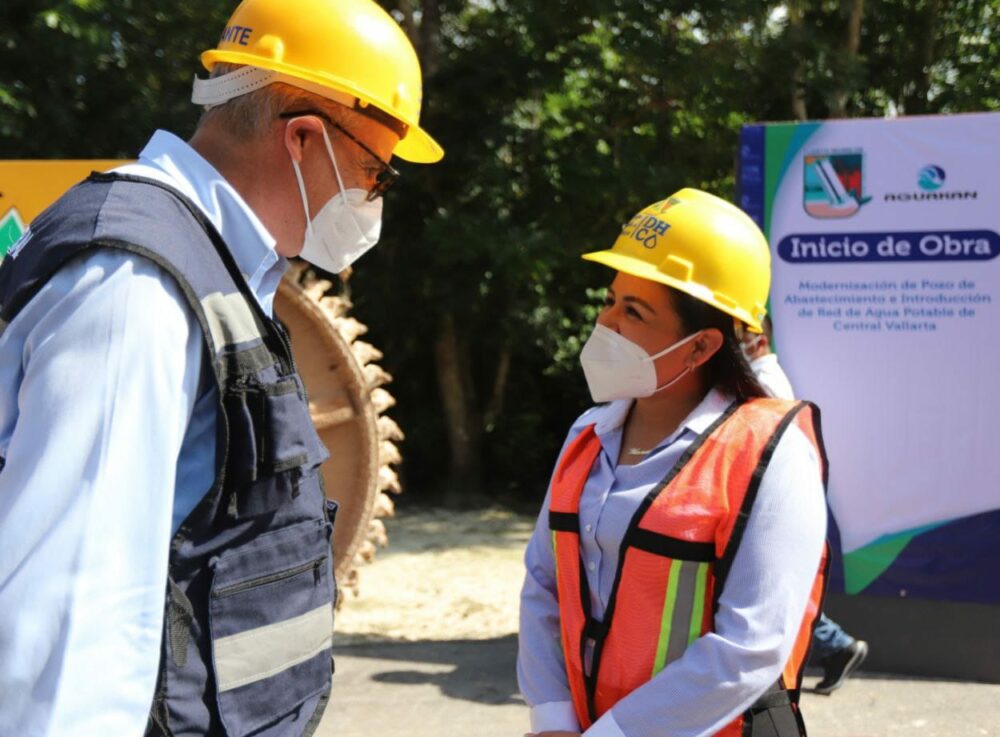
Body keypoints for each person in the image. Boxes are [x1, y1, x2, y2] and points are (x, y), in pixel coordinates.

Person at [0, 1, 442, 735]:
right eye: (376, 172)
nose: (372, 198)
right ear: (304, 138)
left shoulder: (212, 269)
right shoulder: (136, 286)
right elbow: (68, 622)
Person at [518, 188, 829, 737]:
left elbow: (751, 647)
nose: (605, 322)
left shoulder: (769, 454)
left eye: (633, 311)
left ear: (701, 347)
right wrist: (553, 719)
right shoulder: (587, 435)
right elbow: (544, 584)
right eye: (611, 299)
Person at [740, 318, 869, 695]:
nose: (734, 343)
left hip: (769, 506)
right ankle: (838, 647)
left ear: (759, 341)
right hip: (771, 504)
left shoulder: (765, 385)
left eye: (740, 335)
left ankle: (838, 645)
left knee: (780, 596)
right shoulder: (763, 380)